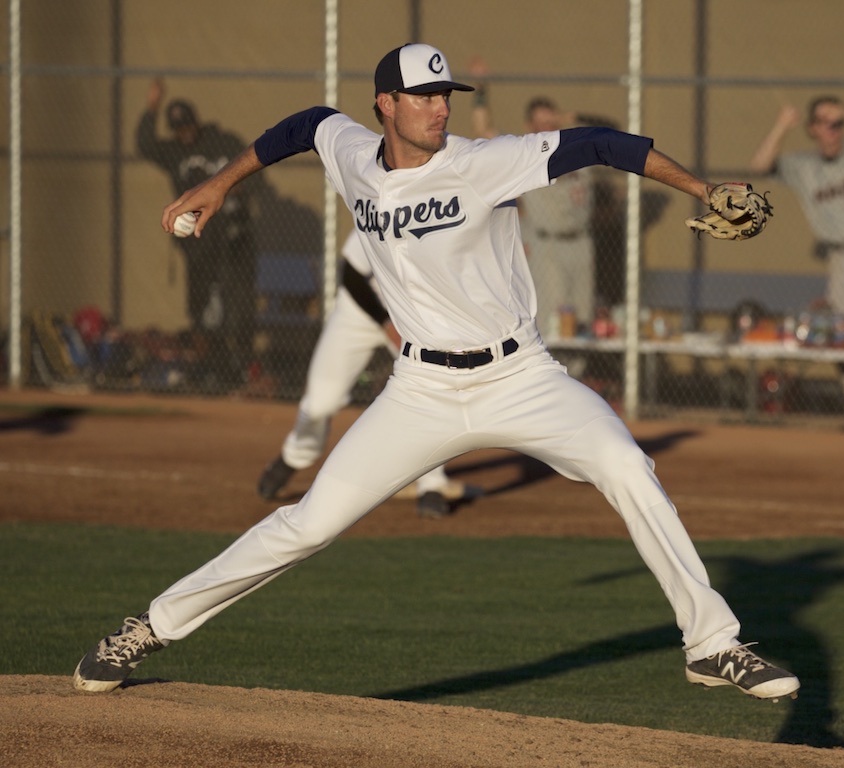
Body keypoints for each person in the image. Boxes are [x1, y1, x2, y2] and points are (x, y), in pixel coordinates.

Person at [74, 43, 799, 702]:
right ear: (385, 104)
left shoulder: (486, 161)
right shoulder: (352, 153)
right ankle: (149, 628)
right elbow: (305, 125)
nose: (438, 107)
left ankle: (712, 645)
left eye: (444, 94)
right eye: (422, 96)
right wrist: (222, 183)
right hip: (420, 390)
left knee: (627, 465)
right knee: (308, 524)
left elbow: (603, 144)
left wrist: (703, 189)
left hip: (521, 377)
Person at [257, 228, 471, 518]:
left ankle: (431, 484)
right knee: (321, 402)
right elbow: (353, 275)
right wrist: (386, 323)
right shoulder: (384, 209)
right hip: (360, 310)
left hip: (416, 318)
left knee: (433, 391)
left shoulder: (449, 220)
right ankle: (294, 456)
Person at [750, 85, 844, 417]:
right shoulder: (804, 166)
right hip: (842, 255)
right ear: (812, 129)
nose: (833, 130)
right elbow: (759, 166)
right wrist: (782, 126)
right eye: (825, 123)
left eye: (837, 124)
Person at [136, 77, 260, 390]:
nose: (184, 132)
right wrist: (152, 107)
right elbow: (144, 145)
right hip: (198, 245)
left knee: (236, 307)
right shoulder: (174, 152)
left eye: (187, 125)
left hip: (232, 241)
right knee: (201, 311)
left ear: (196, 122)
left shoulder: (221, 142)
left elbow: (251, 171)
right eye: (178, 129)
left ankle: (240, 367)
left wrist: (232, 190)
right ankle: (211, 369)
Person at [469, 56, 600, 344]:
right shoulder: (527, 157)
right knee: (554, 322)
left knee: (583, 321)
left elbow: (612, 130)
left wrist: (571, 119)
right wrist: (481, 90)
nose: (548, 127)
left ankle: (580, 370)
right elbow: (483, 132)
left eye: (552, 121)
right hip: (548, 246)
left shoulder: (577, 147)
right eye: (542, 123)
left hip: (582, 242)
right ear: (529, 126)